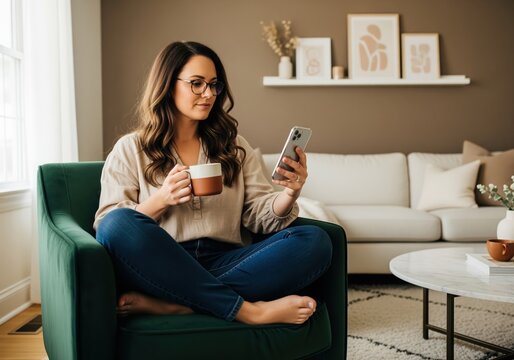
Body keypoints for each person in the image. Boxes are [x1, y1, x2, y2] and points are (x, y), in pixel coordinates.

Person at [94, 41, 332, 325]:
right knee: (117, 223)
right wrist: (161, 199)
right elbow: (107, 225)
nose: (208, 94)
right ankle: (249, 311)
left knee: (315, 241)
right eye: (197, 84)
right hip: (161, 262)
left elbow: (258, 215)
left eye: (214, 85)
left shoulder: (234, 147)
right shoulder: (130, 148)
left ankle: (179, 304)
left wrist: (291, 193)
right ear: (168, 85)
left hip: (227, 260)